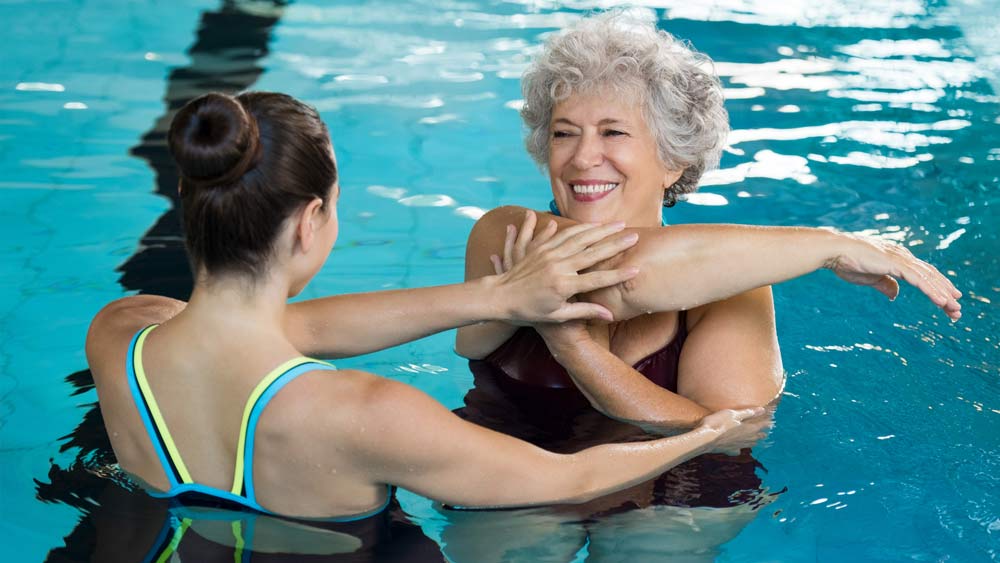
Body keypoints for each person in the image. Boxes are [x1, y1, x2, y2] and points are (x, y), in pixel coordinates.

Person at [85, 91, 761, 529]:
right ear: (311, 221)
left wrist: (494, 299)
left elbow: (267, 329)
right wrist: (707, 432)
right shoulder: (366, 415)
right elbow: (571, 476)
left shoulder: (120, 335)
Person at [448, 11, 962, 560]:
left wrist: (577, 352)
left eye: (613, 132)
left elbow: (731, 432)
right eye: (563, 133)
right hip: (518, 463)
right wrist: (826, 244)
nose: (581, 157)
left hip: (678, 487)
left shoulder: (735, 284)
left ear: (672, 162)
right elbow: (618, 273)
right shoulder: (506, 235)